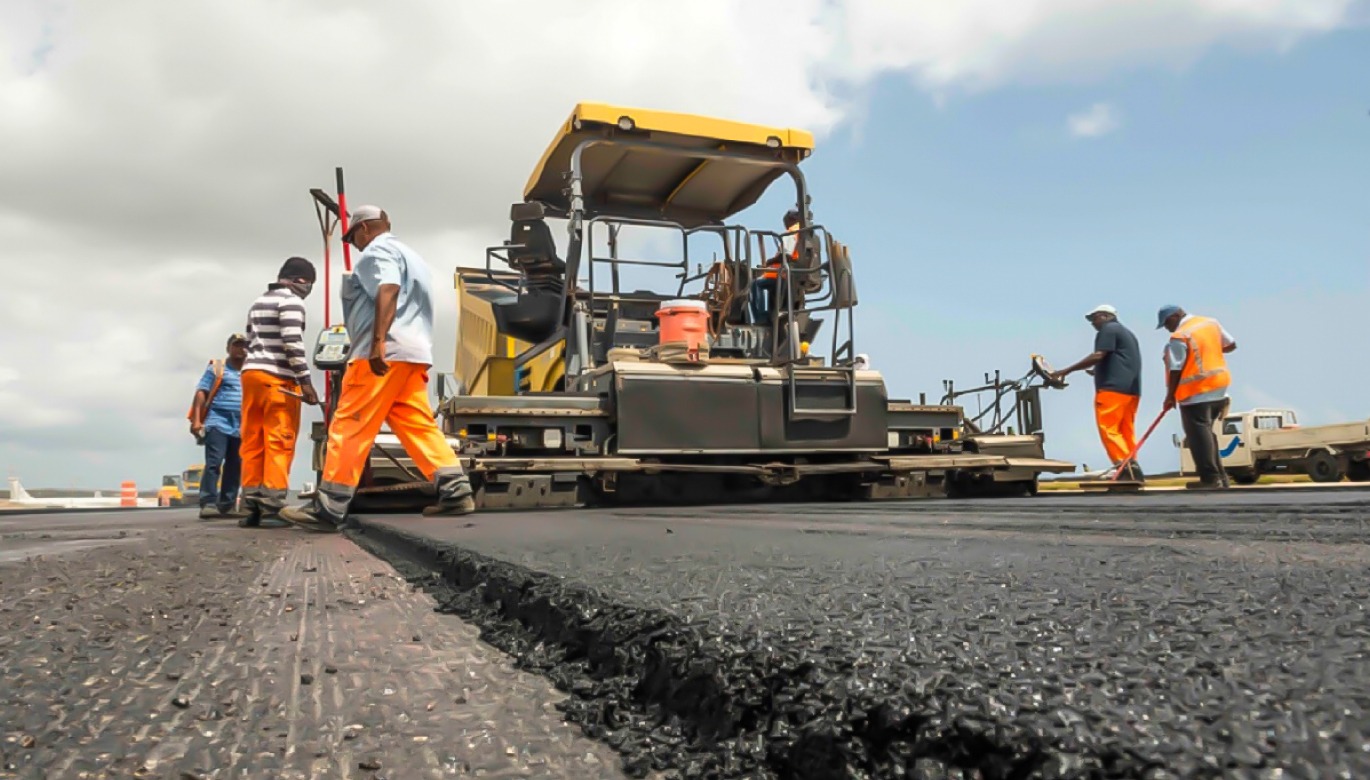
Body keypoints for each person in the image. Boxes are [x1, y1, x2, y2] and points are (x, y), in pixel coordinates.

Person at [281, 205, 475, 532]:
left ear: (366, 229)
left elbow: (388, 289)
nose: (354, 244)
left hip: (383, 354)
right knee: (415, 422)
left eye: (353, 236)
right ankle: (455, 490)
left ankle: (329, 506)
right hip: (414, 353)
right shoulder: (413, 257)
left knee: (349, 423)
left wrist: (377, 342)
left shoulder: (375, 252)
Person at [239, 257, 320, 527]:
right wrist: (305, 383)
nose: (309, 289)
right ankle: (272, 508)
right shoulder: (292, 303)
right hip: (278, 379)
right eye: (309, 283)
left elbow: (250, 340)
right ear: (300, 281)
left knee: (253, 440)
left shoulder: (258, 302)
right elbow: (292, 344)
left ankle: (249, 506)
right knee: (279, 440)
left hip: (251, 376)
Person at [1050, 304, 1143, 480]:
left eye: (1095, 318)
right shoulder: (1126, 333)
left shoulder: (1108, 330)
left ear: (1106, 316)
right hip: (1131, 390)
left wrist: (1065, 371)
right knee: (1125, 430)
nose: (1093, 323)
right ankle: (1133, 468)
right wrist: (1098, 370)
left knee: (1109, 428)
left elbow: (1098, 355)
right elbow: (1120, 359)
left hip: (1112, 389)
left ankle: (1124, 467)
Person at [1157, 305, 1237, 490]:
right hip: (1219, 387)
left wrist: (1170, 397)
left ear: (1176, 316)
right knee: (1207, 433)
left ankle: (1210, 479)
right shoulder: (1210, 323)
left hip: (1196, 391)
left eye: (1167, 323)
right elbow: (1231, 345)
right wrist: (1207, 349)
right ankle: (1221, 478)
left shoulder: (1179, 336)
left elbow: (1175, 368)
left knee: (1197, 436)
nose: (1168, 328)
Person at [188, 334, 249, 518]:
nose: (241, 349)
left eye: (244, 346)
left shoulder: (250, 371)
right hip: (218, 421)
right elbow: (201, 392)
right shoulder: (217, 368)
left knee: (235, 464)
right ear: (228, 348)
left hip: (241, 425)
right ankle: (208, 502)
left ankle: (227, 504)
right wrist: (197, 421)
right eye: (236, 345)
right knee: (214, 462)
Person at [750, 209, 801, 324]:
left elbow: (785, 255)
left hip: (782, 276)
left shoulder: (791, 232)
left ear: (791, 220)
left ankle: (761, 318)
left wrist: (770, 261)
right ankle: (771, 314)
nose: (785, 225)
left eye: (786, 222)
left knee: (756, 284)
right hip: (791, 277)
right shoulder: (803, 233)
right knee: (768, 285)